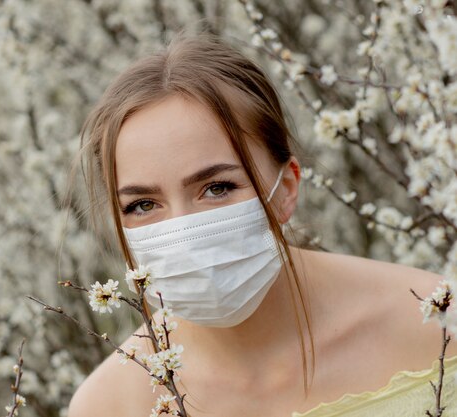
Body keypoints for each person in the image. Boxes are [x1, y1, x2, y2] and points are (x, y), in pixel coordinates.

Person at [67, 31, 457, 416]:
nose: (183, 231)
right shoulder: (109, 405)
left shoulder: (437, 321)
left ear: (286, 187)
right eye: (143, 204)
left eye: (217, 187)